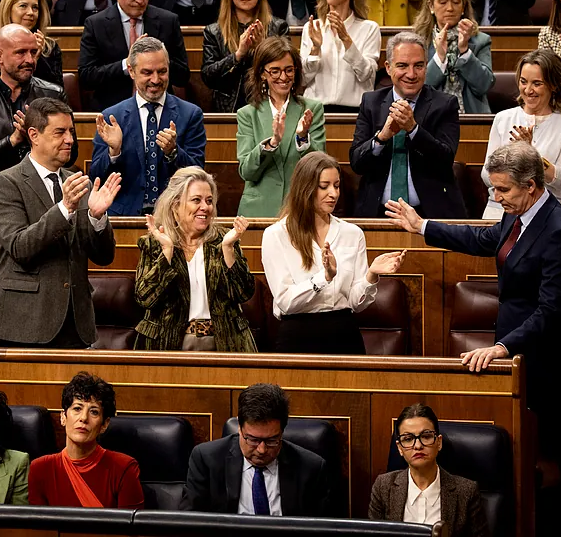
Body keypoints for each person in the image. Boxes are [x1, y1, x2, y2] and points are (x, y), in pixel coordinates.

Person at [386, 141, 561, 536]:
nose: (495, 196)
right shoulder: (516, 216)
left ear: (533, 186)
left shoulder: (559, 232)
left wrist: (503, 347)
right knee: (534, 461)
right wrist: (423, 226)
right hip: (522, 359)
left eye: (503, 190)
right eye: (494, 188)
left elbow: (552, 312)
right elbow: (485, 241)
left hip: (556, 369)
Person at [0, 99, 121, 348]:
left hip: (75, 323)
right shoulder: (5, 183)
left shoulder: (81, 184)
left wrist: (97, 217)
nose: (69, 139)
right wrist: (64, 208)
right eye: (60, 132)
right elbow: (20, 247)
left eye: (71, 131)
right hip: (24, 323)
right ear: (34, 135)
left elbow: (104, 256)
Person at [262, 152, 405, 353]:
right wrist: (324, 278)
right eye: (324, 186)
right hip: (297, 336)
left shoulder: (352, 234)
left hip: (344, 334)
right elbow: (286, 302)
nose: (334, 194)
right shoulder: (276, 235)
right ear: (305, 188)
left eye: (336, 186)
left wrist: (371, 275)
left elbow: (356, 303)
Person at [134, 167, 256, 351]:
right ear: (175, 205)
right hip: (166, 344)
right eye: (196, 200)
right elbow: (145, 298)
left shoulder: (225, 239)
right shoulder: (154, 243)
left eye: (209, 201)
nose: (205, 207)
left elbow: (244, 293)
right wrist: (166, 252)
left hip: (225, 342)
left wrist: (228, 249)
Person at [350, 32, 466, 219]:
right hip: (376, 213)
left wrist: (413, 129)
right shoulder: (371, 102)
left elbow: (445, 160)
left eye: (418, 66)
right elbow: (356, 162)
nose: (411, 74)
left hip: (430, 214)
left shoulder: (445, 104)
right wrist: (382, 138)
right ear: (388, 68)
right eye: (402, 66)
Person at [90, 37, 206, 217]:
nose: (155, 79)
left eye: (162, 71)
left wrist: (173, 152)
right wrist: (114, 152)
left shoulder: (190, 114)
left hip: (174, 217)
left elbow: (198, 174)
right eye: (147, 72)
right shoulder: (112, 117)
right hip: (124, 216)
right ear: (131, 71)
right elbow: (95, 177)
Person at [180, 383, 329, 515]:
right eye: (253, 440)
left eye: (271, 440)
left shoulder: (311, 468)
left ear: (282, 431)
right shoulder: (207, 459)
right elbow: (189, 522)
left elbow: (325, 531)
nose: (262, 450)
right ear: (239, 426)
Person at [0, 24, 69, 203]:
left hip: (48, 198)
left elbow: (71, 152)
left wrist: (38, 138)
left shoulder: (54, 94)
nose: (30, 60)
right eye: (21, 52)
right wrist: (12, 141)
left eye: (33, 52)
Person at [77, 0, 190, 112]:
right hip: (112, 110)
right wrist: (127, 63)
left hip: (160, 110)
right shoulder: (95, 24)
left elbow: (183, 76)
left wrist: (158, 58)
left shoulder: (168, 21)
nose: (139, 0)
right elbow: (86, 77)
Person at [482, 49, 561, 220]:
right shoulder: (503, 118)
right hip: (500, 208)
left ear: (553, 85)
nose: (528, 90)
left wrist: (531, 154)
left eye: (537, 83)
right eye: (523, 82)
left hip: (546, 209)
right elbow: (486, 175)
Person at [368, 403, 490, 535]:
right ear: (399, 448)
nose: (418, 446)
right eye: (408, 439)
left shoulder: (466, 492)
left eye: (426, 436)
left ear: (439, 442)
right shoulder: (383, 487)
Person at [236, 37, 325, 216]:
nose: (283, 77)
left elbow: (320, 167)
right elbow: (246, 171)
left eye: (288, 70)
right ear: (262, 73)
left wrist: (302, 137)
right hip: (258, 210)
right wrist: (272, 143)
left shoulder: (312, 109)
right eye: (275, 71)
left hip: (299, 209)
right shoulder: (247, 114)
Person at [29, 373, 143, 507]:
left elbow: (130, 527)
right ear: (63, 417)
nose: (83, 418)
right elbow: (39, 527)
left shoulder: (123, 468)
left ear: (104, 424)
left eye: (94, 412)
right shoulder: (40, 469)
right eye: (77, 408)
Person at [202, 0, 291, 113]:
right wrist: (238, 55)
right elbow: (208, 77)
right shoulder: (213, 31)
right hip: (229, 108)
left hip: (269, 106)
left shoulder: (278, 27)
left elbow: (286, 72)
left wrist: (261, 49)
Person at [299, 0, 380, 112]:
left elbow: (366, 76)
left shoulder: (369, 29)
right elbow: (302, 80)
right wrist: (315, 49)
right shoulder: (312, 28)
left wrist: (346, 39)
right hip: (315, 112)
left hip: (355, 112)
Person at [414, 0, 493, 114]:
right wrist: (439, 57)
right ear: (431, 6)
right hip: (430, 117)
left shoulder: (481, 41)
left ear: (463, 7)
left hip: (472, 118)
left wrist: (465, 51)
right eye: (443, 2)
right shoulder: (417, 42)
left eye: (456, 2)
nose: (450, 8)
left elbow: (484, 85)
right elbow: (417, 87)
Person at [0, 0, 63, 85]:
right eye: (23, 6)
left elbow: (57, 90)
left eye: (35, 7)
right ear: (8, 9)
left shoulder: (50, 46)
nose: (31, 12)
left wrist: (37, 58)